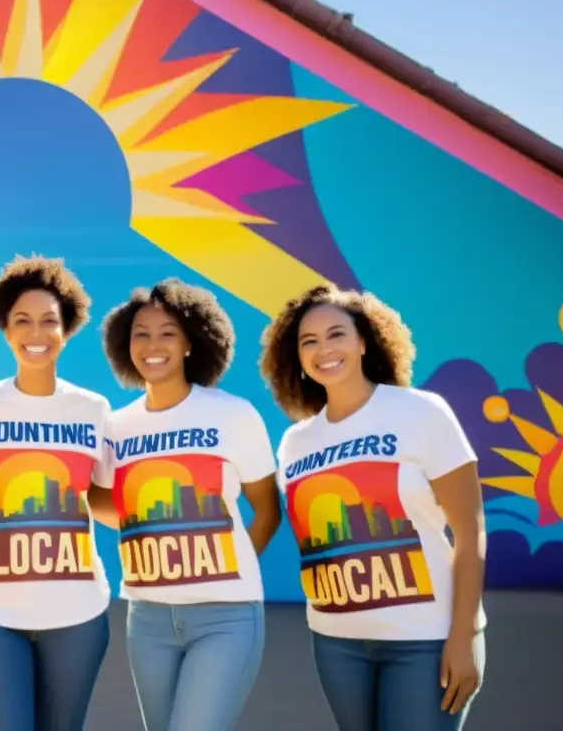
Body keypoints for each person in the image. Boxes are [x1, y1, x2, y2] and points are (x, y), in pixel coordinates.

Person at [259, 284, 486, 731]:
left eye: (336, 334)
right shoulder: (295, 442)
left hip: (424, 638)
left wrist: (464, 636)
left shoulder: (420, 412)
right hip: (336, 642)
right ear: (297, 358)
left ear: (364, 341)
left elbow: (470, 530)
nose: (324, 349)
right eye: (309, 341)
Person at [88, 279, 281, 731]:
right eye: (141, 334)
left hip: (226, 617)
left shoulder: (232, 413)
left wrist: (232, 565)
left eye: (167, 332)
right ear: (124, 345)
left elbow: (267, 509)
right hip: (148, 618)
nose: (153, 345)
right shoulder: (116, 427)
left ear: (192, 342)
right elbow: (107, 505)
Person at [0, 256, 112, 731]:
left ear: (67, 330)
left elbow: (104, 501)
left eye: (49, 321)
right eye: (22, 320)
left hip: (78, 615)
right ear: (5, 329)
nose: (35, 332)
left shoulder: (93, 409)